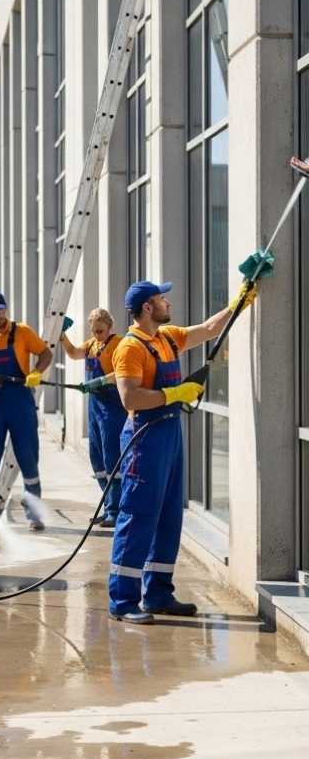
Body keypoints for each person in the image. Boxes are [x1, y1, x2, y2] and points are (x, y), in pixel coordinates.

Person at [108, 257, 272, 624]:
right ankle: (122, 601)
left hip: (168, 434)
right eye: (163, 300)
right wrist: (175, 393)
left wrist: (242, 299)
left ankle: (158, 594)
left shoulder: (167, 338)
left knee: (167, 516)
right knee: (138, 517)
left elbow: (211, 329)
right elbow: (130, 398)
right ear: (148, 308)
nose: (169, 303)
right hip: (143, 437)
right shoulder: (130, 348)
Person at [0, 291, 54, 532]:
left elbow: (46, 353)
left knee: (28, 457)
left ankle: (35, 515)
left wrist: (36, 372)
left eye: (2, 310)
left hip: (20, 400)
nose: (0, 315)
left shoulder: (22, 332)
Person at [59, 308, 127, 528]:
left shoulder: (119, 344)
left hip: (113, 407)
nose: (97, 334)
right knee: (96, 458)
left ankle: (117, 510)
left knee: (112, 458)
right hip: (95, 407)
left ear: (110, 327)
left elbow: (122, 372)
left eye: (101, 330)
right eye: (94, 330)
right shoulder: (91, 345)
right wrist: (61, 333)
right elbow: (72, 353)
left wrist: (99, 382)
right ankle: (108, 506)